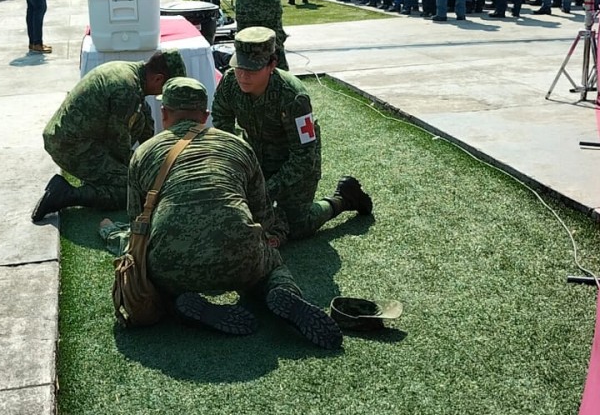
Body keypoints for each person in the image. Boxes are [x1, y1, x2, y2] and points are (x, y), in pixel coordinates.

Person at [124, 76, 343, 349]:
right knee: (272, 265)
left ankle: (178, 304)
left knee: (155, 277)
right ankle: (281, 291)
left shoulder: (143, 153)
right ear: (205, 115)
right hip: (241, 257)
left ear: (164, 113)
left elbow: (136, 222)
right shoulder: (237, 145)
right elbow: (263, 216)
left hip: (172, 266)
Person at [211, 27, 373, 246]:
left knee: (296, 227)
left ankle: (343, 198)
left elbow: (304, 157)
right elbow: (222, 123)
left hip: (293, 165)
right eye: (239, 67)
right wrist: (234, 167)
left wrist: (266, 190)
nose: (243, 75)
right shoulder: (231, 82)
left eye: (252, 69)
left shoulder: (293, 97)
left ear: (272, 65)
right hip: (256, 157)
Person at [30, 49, 187, 222]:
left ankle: (100, 177)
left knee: (143, 116)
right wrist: (141, 174)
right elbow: (118, 144)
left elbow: (143, 127)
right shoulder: (126, 89)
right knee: (132, 190)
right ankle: (66, 194)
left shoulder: (130, 74)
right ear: (157, 78)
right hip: (69, 147)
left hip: (78, 138)